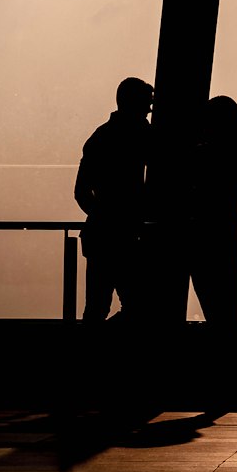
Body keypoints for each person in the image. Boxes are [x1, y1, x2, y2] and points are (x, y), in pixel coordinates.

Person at [74, 76, 153, 322]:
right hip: (126, 235)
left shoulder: (101, 137)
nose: (150, 110)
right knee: (138, 307)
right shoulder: (142, 136)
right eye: (147, 103)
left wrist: (102, 215)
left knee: (96, 307)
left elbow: (81, 191)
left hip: (101, 235)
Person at [188, 95, 237, 324]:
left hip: (203, 236)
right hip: (229, 233)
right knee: (227, 308)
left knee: (211, 303)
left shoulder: (201, 156)